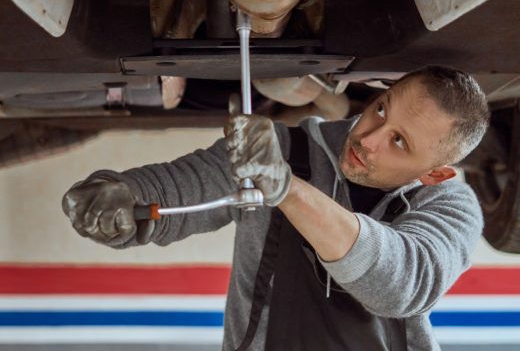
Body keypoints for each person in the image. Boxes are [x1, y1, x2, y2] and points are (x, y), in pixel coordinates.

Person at [62, 65, 490, 351]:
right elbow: (186, 186)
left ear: (435, 173)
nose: (369, 138)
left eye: (399, 142)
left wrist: (286, 189)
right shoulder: (281, 150)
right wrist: (121, 194)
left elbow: (401, 284)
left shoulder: (451, 206)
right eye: (381, 109)